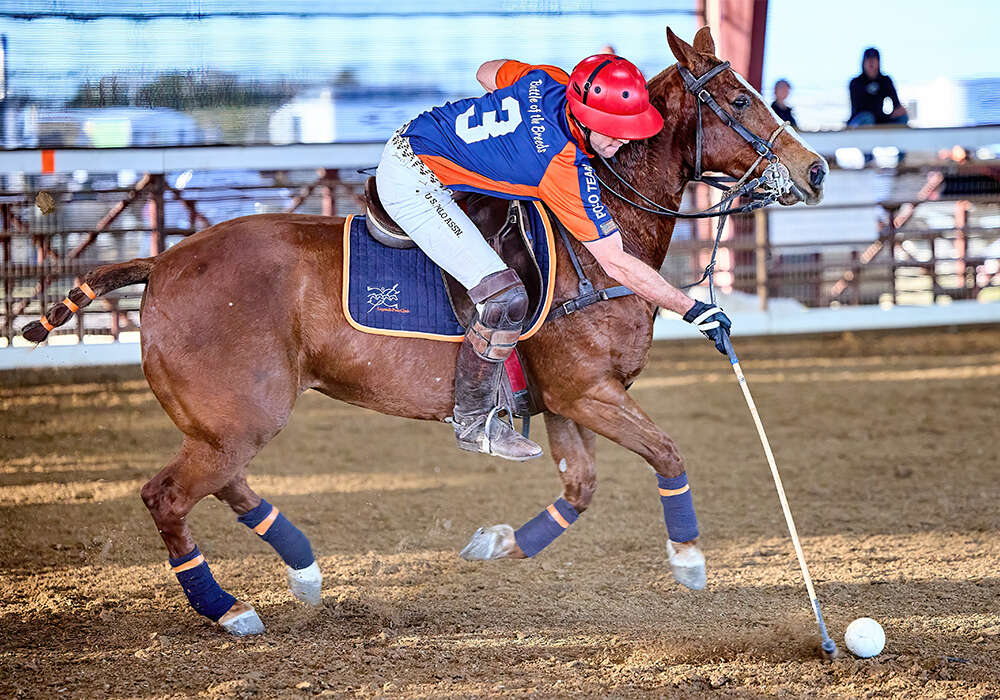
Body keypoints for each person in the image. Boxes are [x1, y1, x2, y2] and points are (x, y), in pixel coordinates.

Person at [375, 55, 732, 461]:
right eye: (613, 132)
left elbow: (485, 72)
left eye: (629, 130)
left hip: (418, 132)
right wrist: (691, 309)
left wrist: (505, 134)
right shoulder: (561, 166)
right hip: (413, 180)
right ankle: (474, 421)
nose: (623, 141)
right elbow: (614, 262)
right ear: (583, 116)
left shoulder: (551, 81)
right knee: (503, 297)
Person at [848, 47, 908, 127]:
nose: (871, 63)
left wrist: (899, 111)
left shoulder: (885, 81)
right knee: (868, 118)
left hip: (880, 120)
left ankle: (894, 138)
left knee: (903, 118)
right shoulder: (856, 82)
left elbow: (896, 105)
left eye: (874, 60)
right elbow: (860, 108)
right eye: (868, 60)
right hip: (860, 121)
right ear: (863, 62)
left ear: (879, 62)